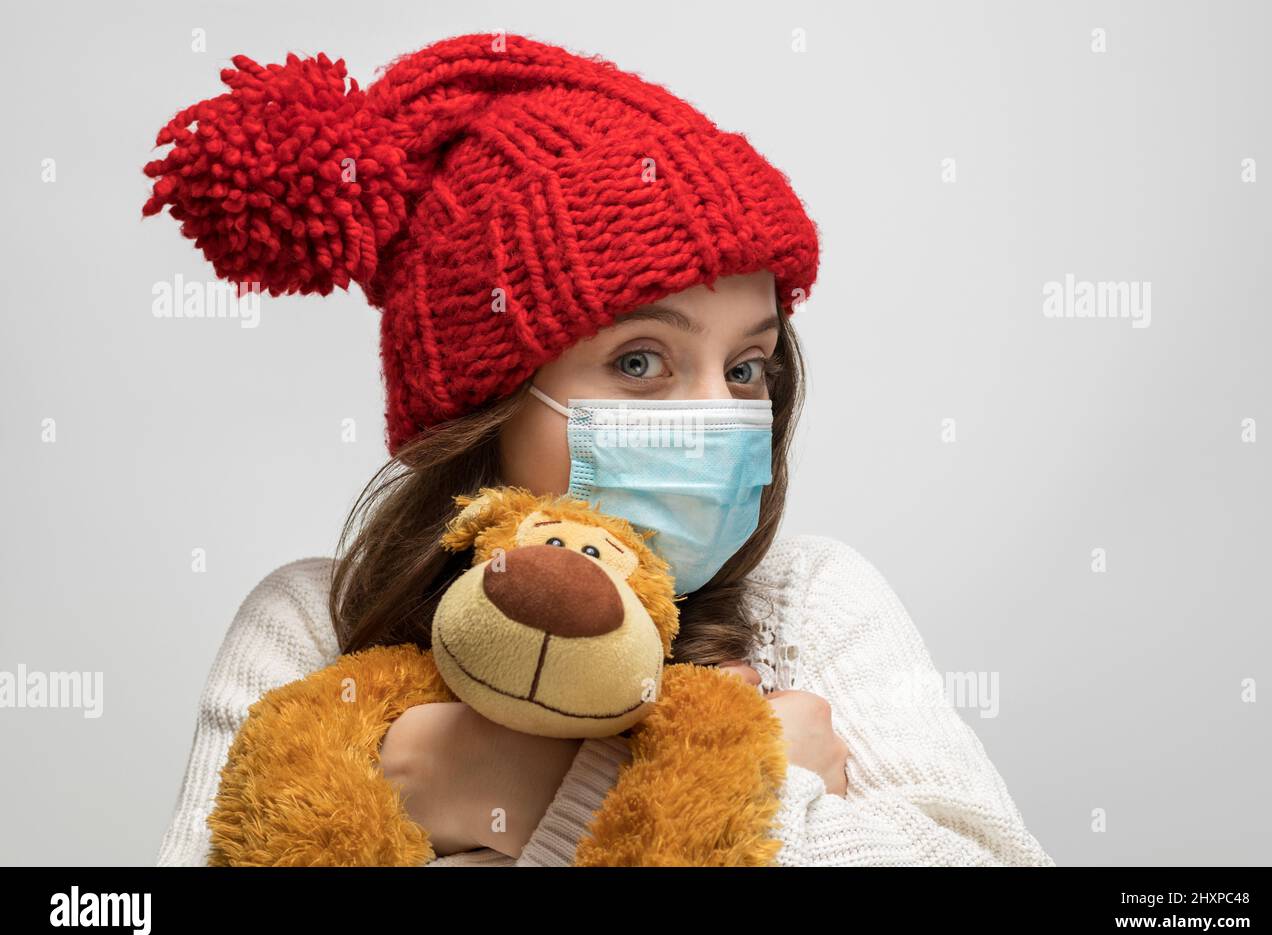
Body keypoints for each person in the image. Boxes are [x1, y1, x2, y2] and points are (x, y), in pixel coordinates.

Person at [146, 31, 1055, 867]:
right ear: (487, 399)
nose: (718, 414)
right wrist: (780, 789)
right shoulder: (313, 626)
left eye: (746, 368)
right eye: (639, 359)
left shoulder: (812, 607)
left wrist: (533, 790)